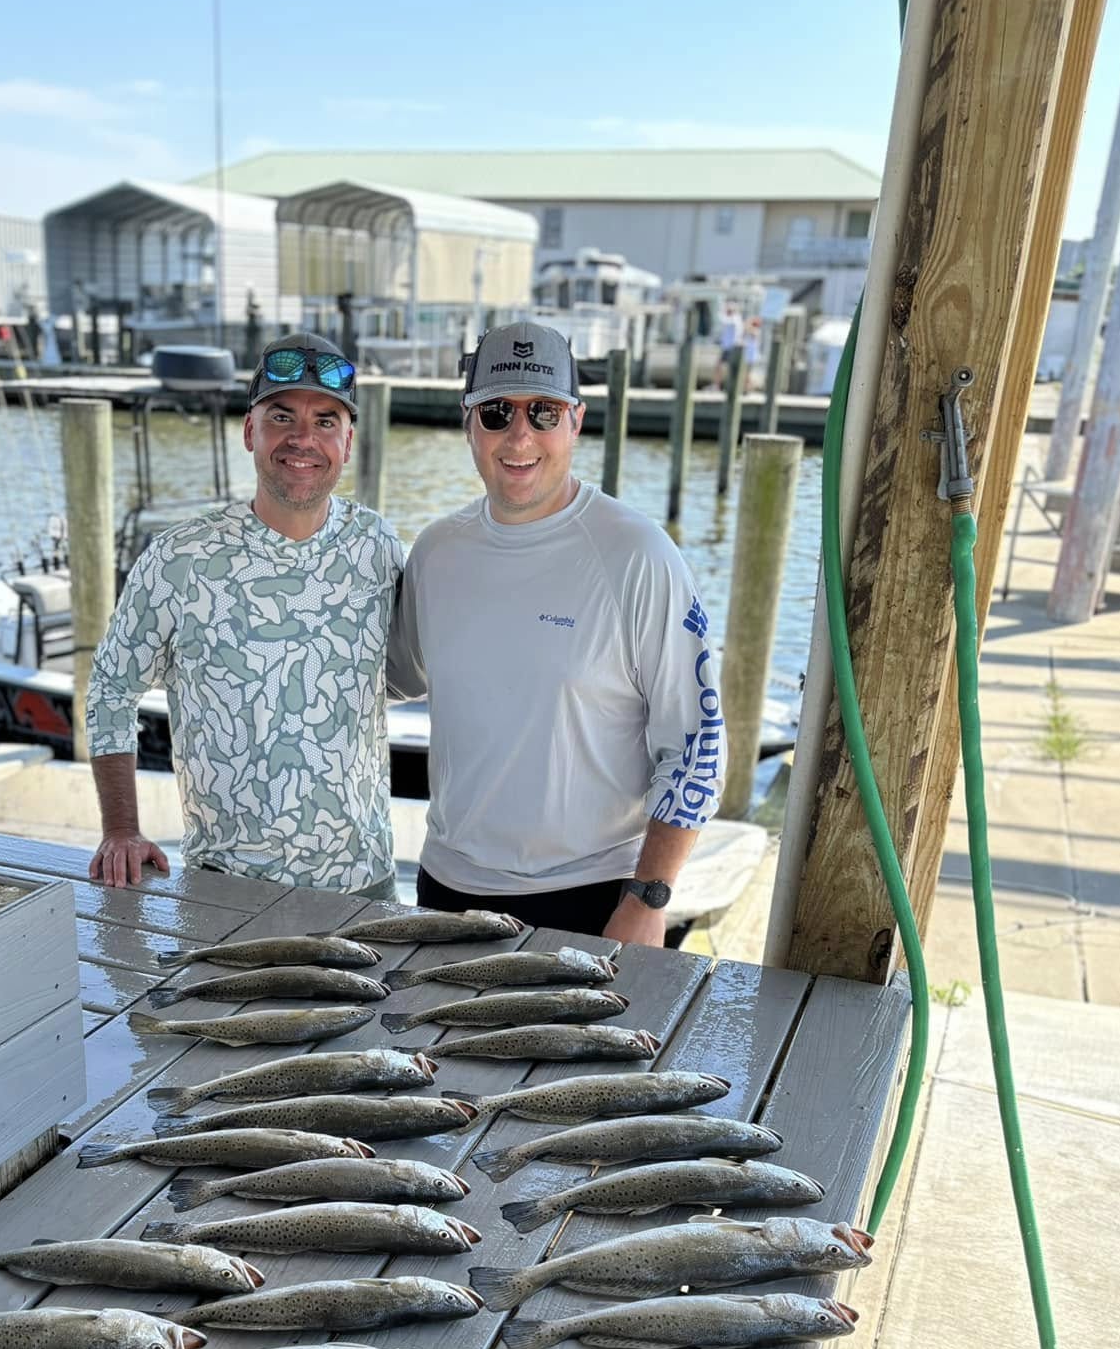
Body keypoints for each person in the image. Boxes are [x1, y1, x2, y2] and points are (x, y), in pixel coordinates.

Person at [387, 319, 724, 945]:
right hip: (445, 888)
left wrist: (649, 896)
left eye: (543, 412)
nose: (520, 435)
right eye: (496, 413)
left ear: (576, 420)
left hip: (593, 897)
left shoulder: (639, 555)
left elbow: (698, 741)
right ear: (468, 423)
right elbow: (390, 677)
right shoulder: (435, 551)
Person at [85, 332, 402, 894]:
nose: (303, 439)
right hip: (225, 887)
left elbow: (415, 671)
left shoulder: (377, 545)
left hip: (365, 883)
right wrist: (121, 830)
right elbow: (111, 688)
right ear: (250, 430)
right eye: (282, 417)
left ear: (348, 442)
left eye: (327, 421)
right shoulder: (180, 557)